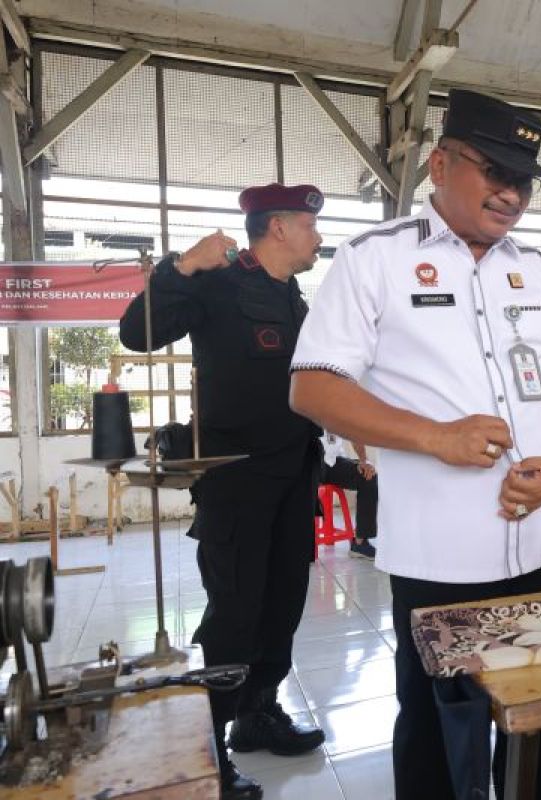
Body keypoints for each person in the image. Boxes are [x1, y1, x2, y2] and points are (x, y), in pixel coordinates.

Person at [288, 89, 541, 800]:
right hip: (442, 557)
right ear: (438, 163)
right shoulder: (376, 260)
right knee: (439, 732)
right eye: (493, 170)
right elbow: (312, 387)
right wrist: (435, 436)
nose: (510, 193)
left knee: (537, 724)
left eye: (522, 180)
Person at [119, 183, 328, 800]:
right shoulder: (217, 282)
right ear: (281, 227)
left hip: (293, 474)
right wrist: (180, 265)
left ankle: (257, 715)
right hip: (236, 478)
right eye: (311, 226)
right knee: (235, 610)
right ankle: (206, 745)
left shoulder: (292, 297)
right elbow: (137, 333)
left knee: (283, 600)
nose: (318, 238)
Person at [318, 432, 377, 558]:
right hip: (310, 460)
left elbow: (354, 434)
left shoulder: (342, 412)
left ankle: (360, 543)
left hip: (334, 462)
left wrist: (364, 461)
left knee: (368, 477)